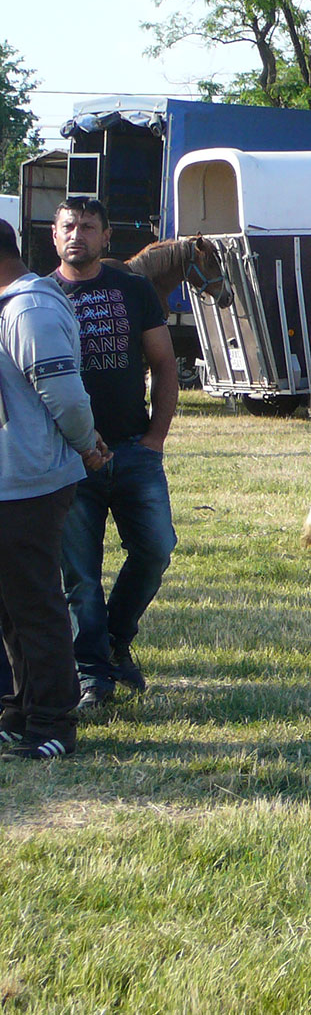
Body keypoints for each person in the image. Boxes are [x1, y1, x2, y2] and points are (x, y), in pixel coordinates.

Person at [51, 197, 178, 709]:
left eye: (87, 226)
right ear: (54, 237)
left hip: (132, 450)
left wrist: (155, 438)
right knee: (79, 575)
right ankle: (93, 676)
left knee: (156, 550)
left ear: (106, 237)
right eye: (68, 227)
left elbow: (165, 365)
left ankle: (115, 640)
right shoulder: (40, 297)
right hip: (69, 459)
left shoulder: (133, 288)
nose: (76, 234)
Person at [0, 218, 111, 759]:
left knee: (36, 603)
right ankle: (22, 710)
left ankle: (53, 724)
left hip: (30, 483)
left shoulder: (30, 310)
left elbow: (64, 396)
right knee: (11, 605)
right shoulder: (16, 305)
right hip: (11, 480)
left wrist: (87, 443)